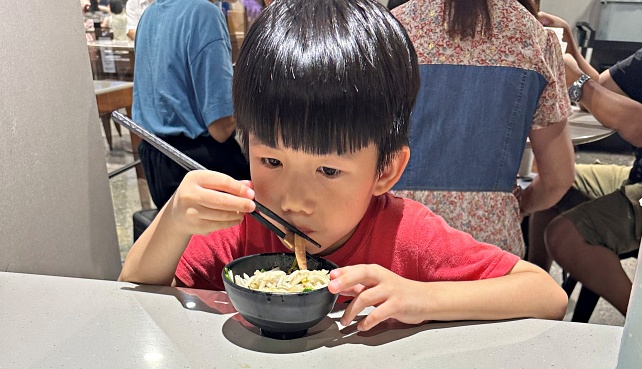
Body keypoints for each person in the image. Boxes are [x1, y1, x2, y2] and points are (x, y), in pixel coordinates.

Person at [120, 0, 566, 332]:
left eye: (329, 171)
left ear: (386, 171)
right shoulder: (240, 223)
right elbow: (136, 291)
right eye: (271, 160)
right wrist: (174, 219)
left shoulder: (406, 235)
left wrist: (424, 296)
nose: (292, 200)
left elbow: (546, 294)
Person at [392, 0, 575, 257]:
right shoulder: (533, 37)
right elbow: (559, 178)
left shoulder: (392, 31)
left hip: (397, 231)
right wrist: (515, 204)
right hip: (489, 243)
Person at [529, 3, 642, 315]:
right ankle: (532, 296)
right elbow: (607, 89)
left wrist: (578, 85)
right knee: (554, 181)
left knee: (565, 235)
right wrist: (569, 43)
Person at [132, 0, 249, 210]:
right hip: (198, 166)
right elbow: (221, 127)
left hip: (156, 161)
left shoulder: (148, 15)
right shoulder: (204, 14)